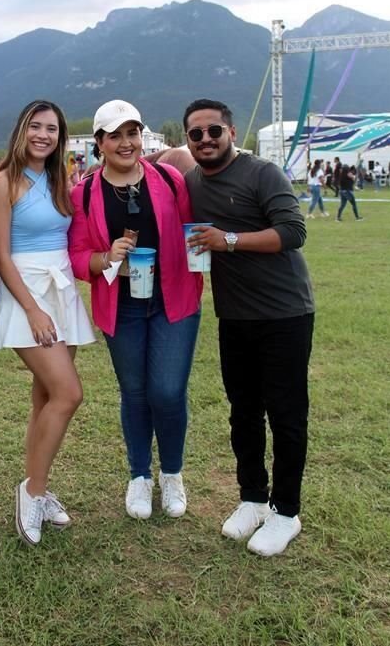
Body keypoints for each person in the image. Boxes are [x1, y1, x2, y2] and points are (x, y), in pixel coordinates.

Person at [183, 98, 315, 558]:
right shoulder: (191, 183)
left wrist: (230, 240)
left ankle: (286, 511)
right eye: (195, 134)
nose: (205, 140)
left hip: (285, 314)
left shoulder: (263, 173)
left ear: (231, 133)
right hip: (234, 316)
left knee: (286, 413)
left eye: (213, 131)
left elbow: (294, 231)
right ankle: (252, 498)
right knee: (243, 412)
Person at [68, 100, 202, 522]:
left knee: (166, 391)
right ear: (100, 143)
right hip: (121, 306)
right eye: (115, 135)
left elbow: (191, 230)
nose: (126, 143)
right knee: (135, 393)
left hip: (173, 300)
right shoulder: (85, 192)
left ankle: (172, 474)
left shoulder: (169, 178)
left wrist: (205, 268)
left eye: (132, 133)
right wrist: (107, 257)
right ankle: (139, 476)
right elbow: (76, 256)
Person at [0, 100, 95, 546]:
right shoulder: (1, 184)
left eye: (52, 128)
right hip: (26, 292)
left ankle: (39, 487)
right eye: (36, 126)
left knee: (46, 397)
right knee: (69, 393)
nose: (43, 135)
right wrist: (31, 308)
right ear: (21, 130)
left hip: (61, 288)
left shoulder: (59, 181)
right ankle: (30, 493)